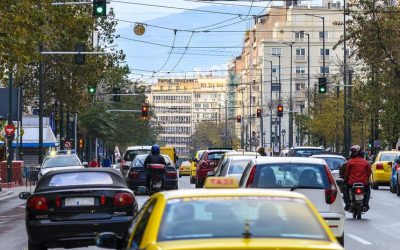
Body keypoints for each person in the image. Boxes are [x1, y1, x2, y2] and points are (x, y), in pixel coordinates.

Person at [343, 145, 372, 211]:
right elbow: (369, 172)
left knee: (345, 189)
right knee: (368, 190)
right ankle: (366, 204)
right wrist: (367, 179)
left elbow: (347, 173)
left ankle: (347, 204)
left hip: (351, 182)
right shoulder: (366, 162)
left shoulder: (350, 162)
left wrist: (345, 181)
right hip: (364, 183)